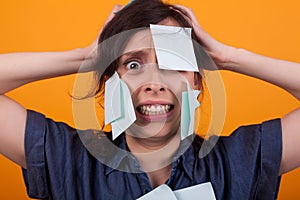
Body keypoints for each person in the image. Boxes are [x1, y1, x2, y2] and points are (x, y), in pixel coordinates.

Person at [0, 0, 300, 199]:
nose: (154, 82)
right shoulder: (65, 158)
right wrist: (87, 56)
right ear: (112, 81)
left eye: (173, 64)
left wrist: (229, 58)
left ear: (195, 81)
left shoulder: (241, 161)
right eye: (133, 65)